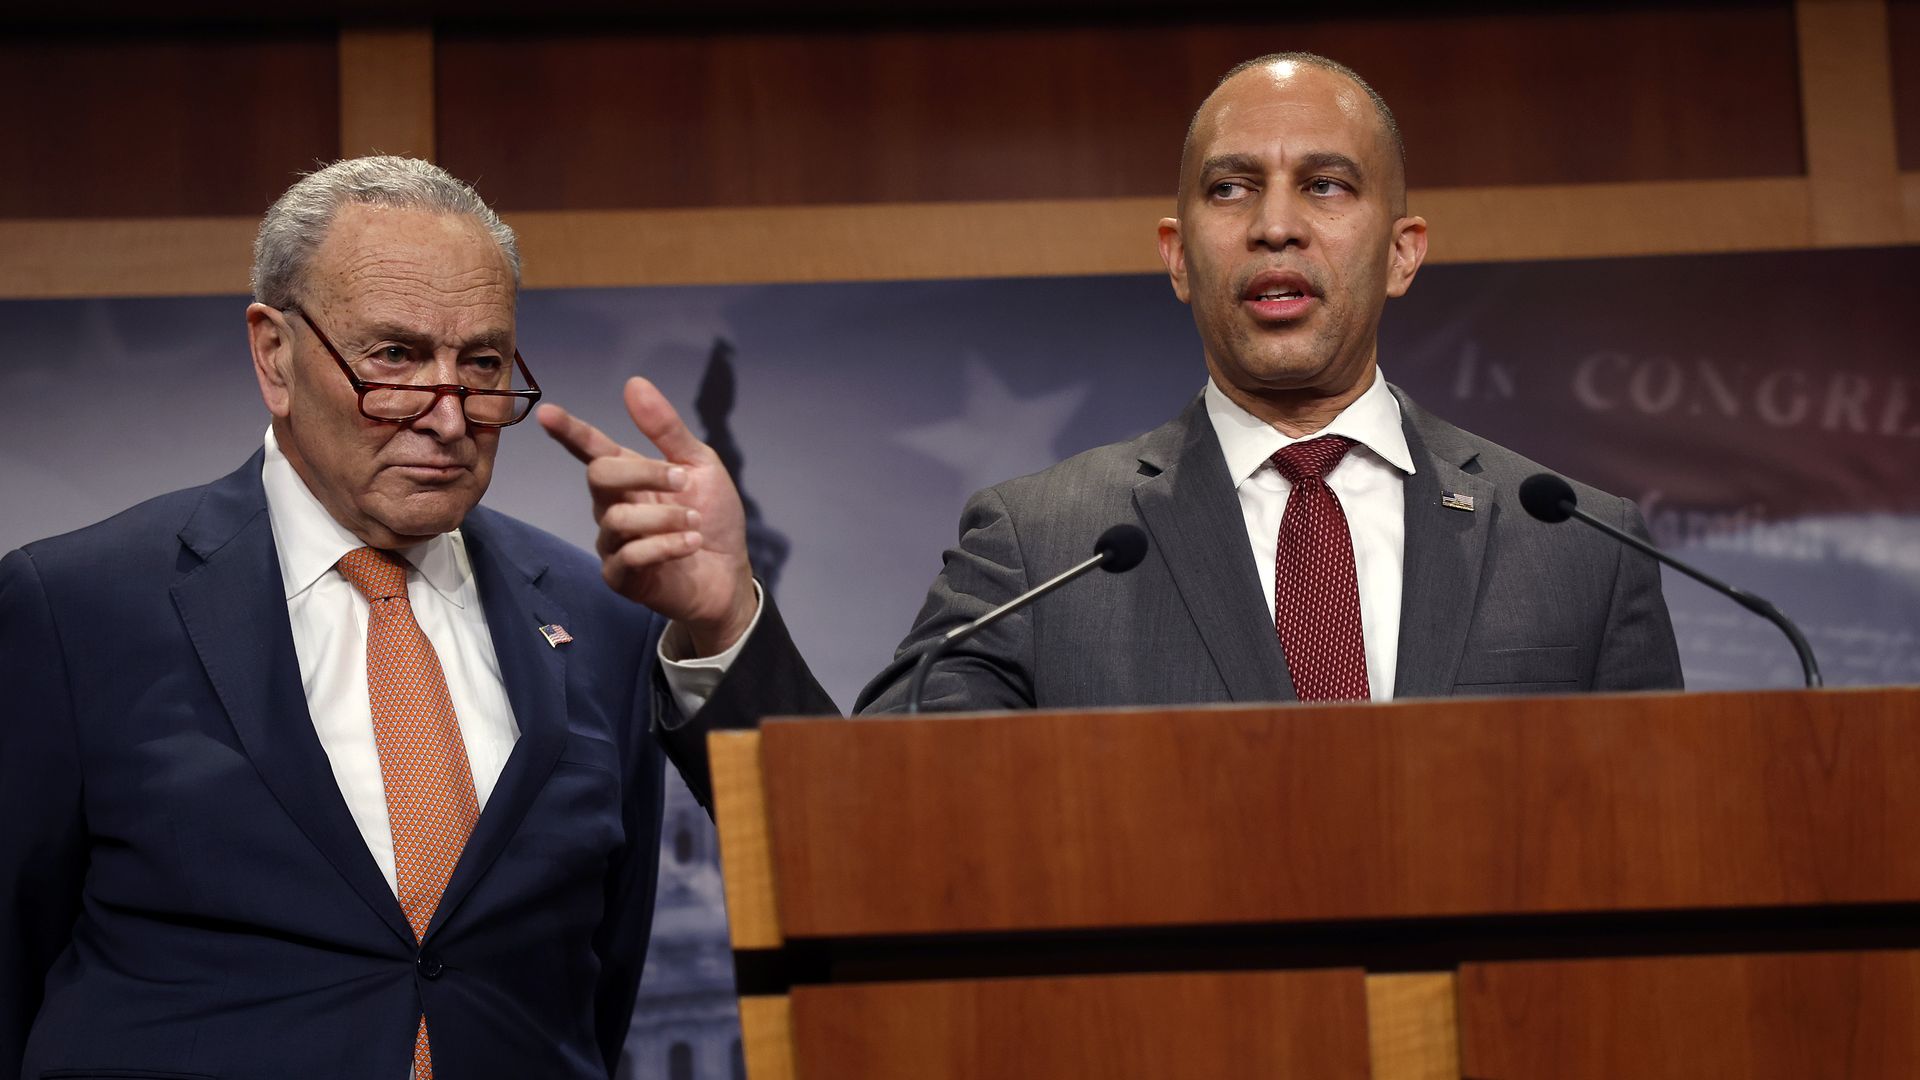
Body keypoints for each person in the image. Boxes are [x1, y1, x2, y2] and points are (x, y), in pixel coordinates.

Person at [0, 157, 820, 1079]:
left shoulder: (603, 623)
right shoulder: (73, 610)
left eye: (482, 364)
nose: (448, 414)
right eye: (395, 356)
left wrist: (724, 622)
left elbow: (808, 889)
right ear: (274, 355)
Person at [547, 51, 1682, 717]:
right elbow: (859, 811)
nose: (1277, 225)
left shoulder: (1577, 544)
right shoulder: (1044, 545)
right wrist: (719, 620)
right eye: (1232, 190)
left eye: (1327, 186)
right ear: (1178, 254)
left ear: (1403, 247)